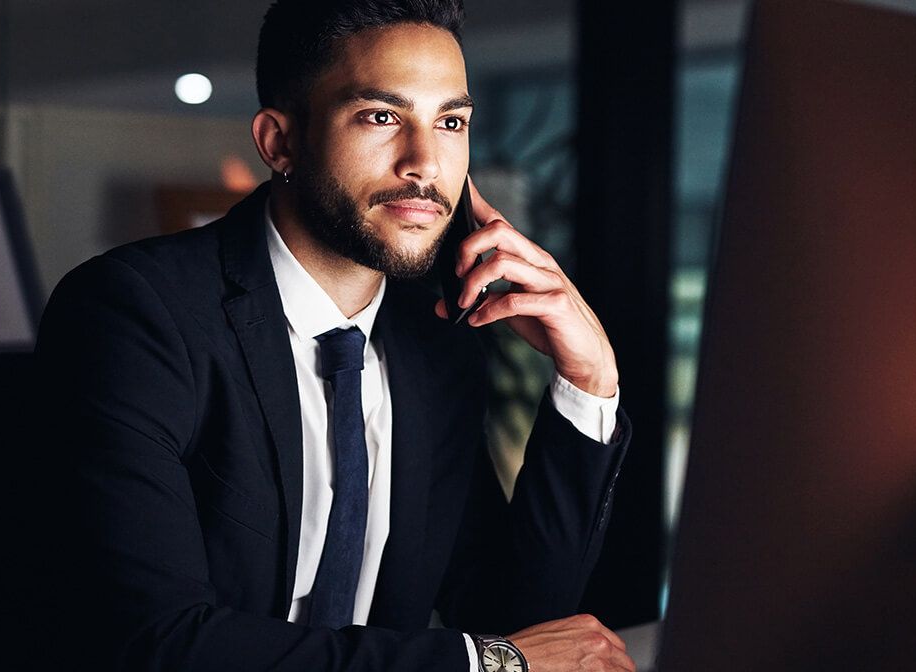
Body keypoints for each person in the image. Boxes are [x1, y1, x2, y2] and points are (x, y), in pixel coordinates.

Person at [34, 1, 636, 669]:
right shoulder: (136, 313)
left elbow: (517, 627)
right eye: (382, 117)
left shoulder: (433, 338)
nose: (425, 163)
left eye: (451, 122)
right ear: (279, 142)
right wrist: (478, 665)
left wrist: (589, 382)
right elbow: (158, 643)